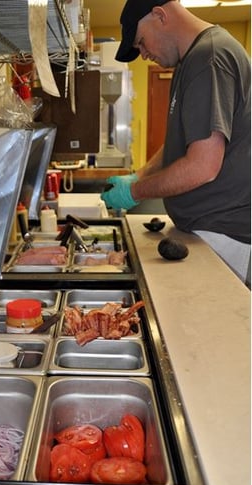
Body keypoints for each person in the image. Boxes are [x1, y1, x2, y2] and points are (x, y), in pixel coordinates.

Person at [100, 0, 251, 286]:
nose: (143, 55)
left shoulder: (210, 58)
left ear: (160, 15)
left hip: (223, 233)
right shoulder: (192, 60)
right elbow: (180, 143)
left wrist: (135, 191)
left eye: (141, 42)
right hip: (205, 230)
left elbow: (202, 166)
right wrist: (140, 174)